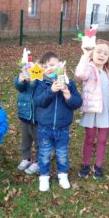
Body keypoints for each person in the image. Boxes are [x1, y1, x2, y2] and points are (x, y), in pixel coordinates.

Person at [34, 51, 82, 192]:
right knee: (44, 153)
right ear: (42, 68)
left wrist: (67, 94)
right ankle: (44, 177)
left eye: (54, 65)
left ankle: (63, 175)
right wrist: (51, 90)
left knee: (62, 153)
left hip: (62, 127)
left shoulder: (69, 83)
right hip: (45, 127)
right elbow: (38, 101)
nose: (51, 68)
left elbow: (77, 103)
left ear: (61, 67)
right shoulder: (40, 83)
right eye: (47, 66)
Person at [75, 39, 109, 179]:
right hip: (92, 111)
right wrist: (85, 55)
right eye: (98, 51)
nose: (102, 55)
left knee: (102, 140)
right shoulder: (89, 69)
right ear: (93, 53)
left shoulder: (107, 73)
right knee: (89, 139)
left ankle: (98, 166)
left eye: (105, 53)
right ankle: (86, 164)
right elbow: (80, 75)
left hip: (105, 112)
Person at [14, 70, 39, 175]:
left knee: (38, 141)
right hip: (24, 115)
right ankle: (26, 158)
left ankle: (38, 162)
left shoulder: (40, 81)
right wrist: (20, 80)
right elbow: (18, 86)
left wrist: (34, 80)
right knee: (25, 141)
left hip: (38, 118)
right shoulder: (24, 81)